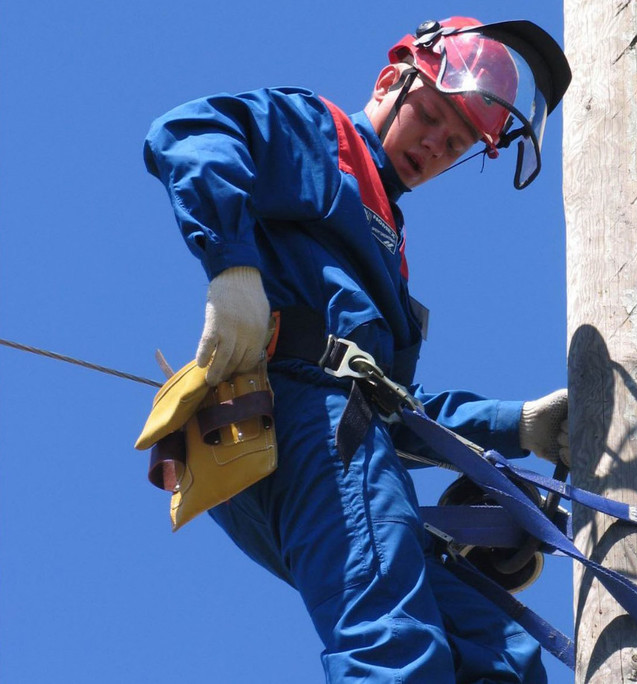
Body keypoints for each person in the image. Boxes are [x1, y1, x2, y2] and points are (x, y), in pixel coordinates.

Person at [143, 16, 572, 683]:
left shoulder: (387, 252)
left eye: (455, 143)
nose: (434, 145)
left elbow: (394, 410)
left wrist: (517, 427)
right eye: (430, 117)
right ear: (389, 81)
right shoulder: (323, 139)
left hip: (340, 437)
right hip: (301, 421)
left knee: (500, 656)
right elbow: (193, 132)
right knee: (394, 650)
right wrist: (233, 269)